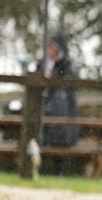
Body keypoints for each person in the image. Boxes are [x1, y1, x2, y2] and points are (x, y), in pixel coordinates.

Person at [34, 32, 80, 171]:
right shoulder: (42, 63)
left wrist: (52, 78)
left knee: (61, 139)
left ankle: (59, 170)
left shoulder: (67, 65)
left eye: (52, 47)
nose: (49, 50)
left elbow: (69, 83)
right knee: (41, 136)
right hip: (44, 107)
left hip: (62, 109)